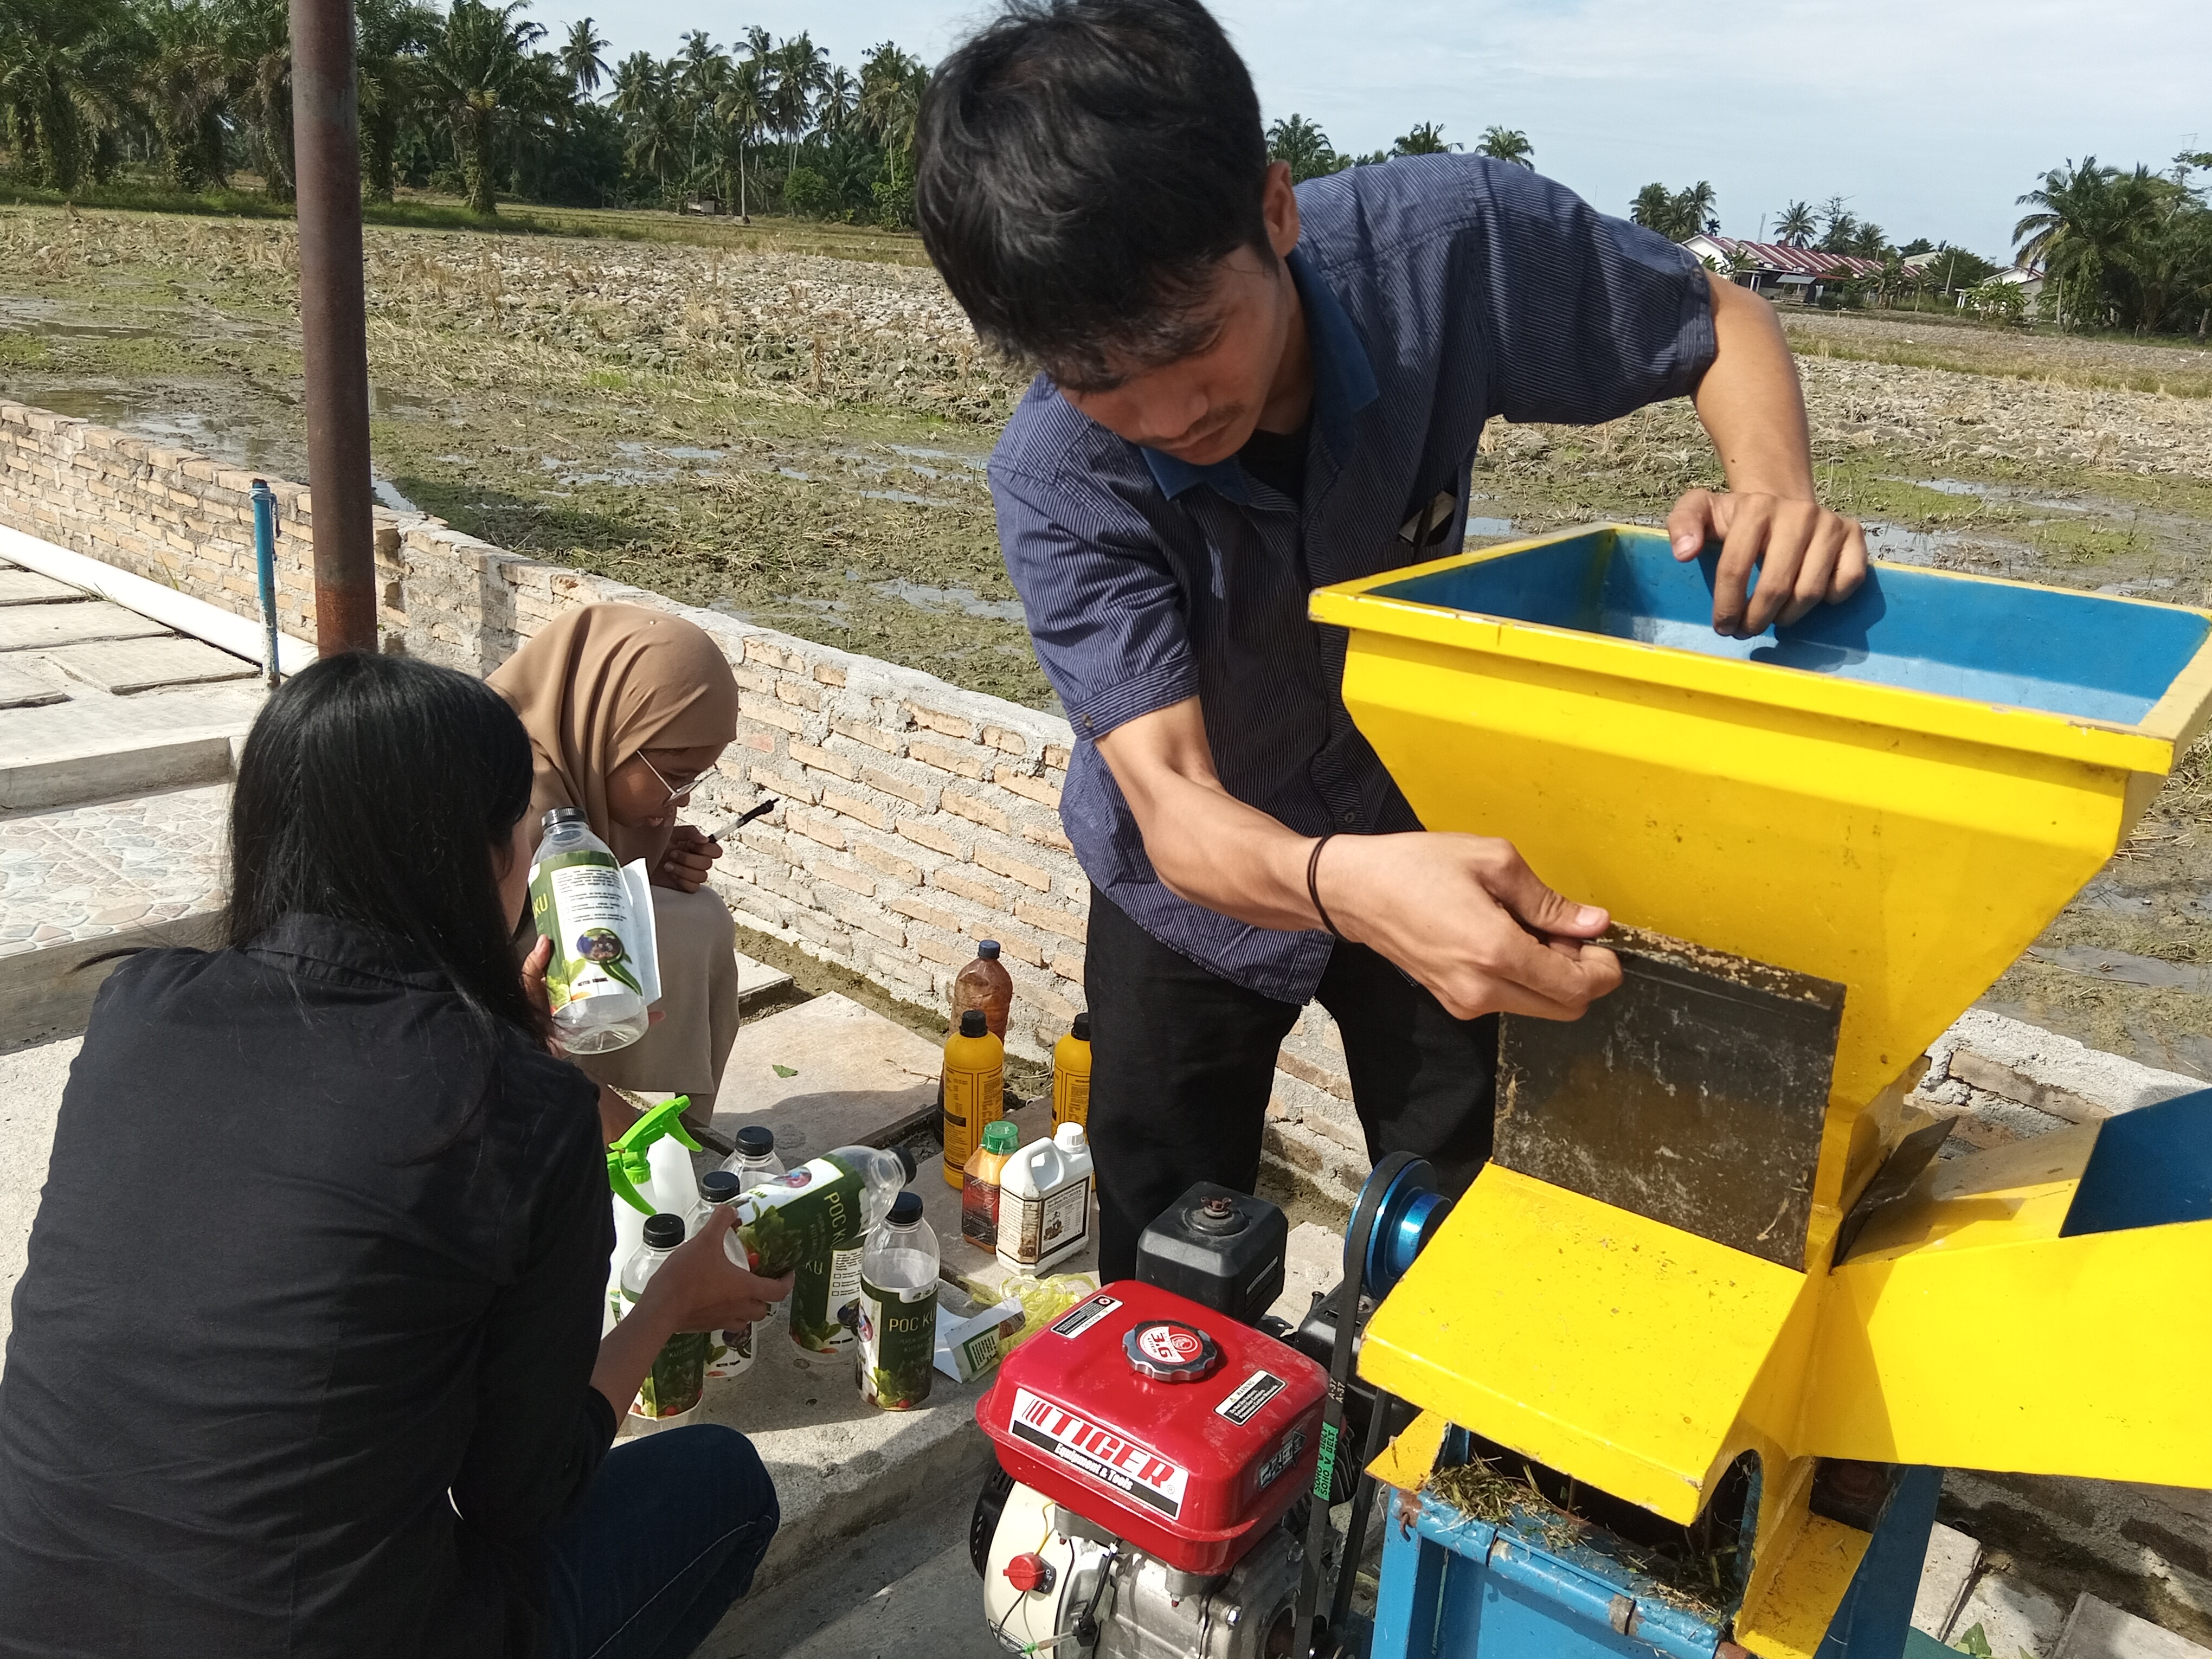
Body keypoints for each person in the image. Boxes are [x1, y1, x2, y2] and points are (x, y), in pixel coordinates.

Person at [914, 0, 1873, 1276]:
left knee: (1460, 1210)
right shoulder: (1057, 475)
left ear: (1272, 211)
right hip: (1185, 892)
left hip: (1416, 814)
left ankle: (1415, 1451)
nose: (1164, 412)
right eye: (1095, 379)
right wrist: (1339, 885)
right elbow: (1175, 807)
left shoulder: (1450, 249)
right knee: (1162, 1241)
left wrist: (1769, 488)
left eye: (1190, 342)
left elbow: (1716, 323)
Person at [0, 653, 790, 1659]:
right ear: (490, 854)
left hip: (36, 1615)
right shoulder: (519, 1106)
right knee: (719, 1483)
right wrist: (670, 1302)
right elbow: (523, 1496)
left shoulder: (140, 1008)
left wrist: (502, 1037)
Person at [490, 602, 743, 1140]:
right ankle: (552, 1126)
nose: (683, 798)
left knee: (698, 914)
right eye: (674, 777)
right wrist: (592, 1104)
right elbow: (454, 975)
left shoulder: (572, 753)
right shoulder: (506, 796)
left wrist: (646, 863)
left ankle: (683, 1129)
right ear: (610, 731)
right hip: (480, 1020)